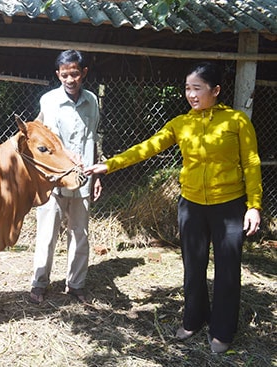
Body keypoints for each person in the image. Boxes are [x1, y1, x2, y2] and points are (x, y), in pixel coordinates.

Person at [84, 62, 262, 353]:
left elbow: (252, 164)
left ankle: (222, 329)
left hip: (229, 206)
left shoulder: (236, 121)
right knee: (193, 267)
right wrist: (109, 165)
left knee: (227, 270)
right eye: (187, 88)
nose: (191, 95)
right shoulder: (181, 123)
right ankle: (193, 319)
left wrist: (253, 206)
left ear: (215, 90)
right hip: (191, 205)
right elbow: (148, 147)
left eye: (197, 88)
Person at [30, 49, 102, 304]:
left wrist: (97, 173)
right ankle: (39, 284)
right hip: (54, 178)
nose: (70, 79)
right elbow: (45, 141)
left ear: (83, 73)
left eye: (74, 74)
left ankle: (76, 284)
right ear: (57, 75)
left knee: (80, 233)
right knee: (47, 232)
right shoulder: (48, 101)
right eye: (64, 75)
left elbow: (93, 137)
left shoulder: (92, 100)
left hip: (83, 177)